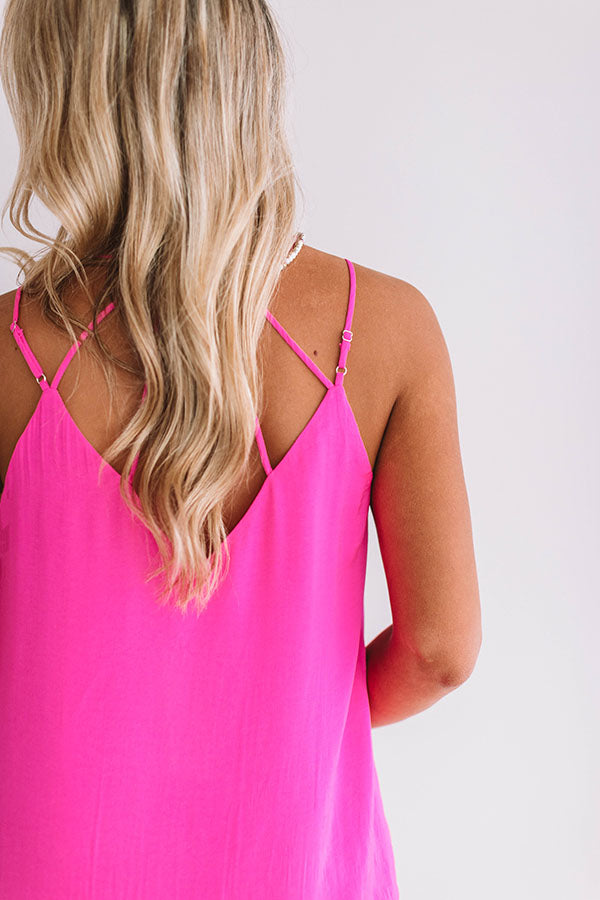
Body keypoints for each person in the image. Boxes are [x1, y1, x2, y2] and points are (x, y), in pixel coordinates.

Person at [0, 1, 481, 898]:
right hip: (289, 862)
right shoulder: (387, 329)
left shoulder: (9, 351)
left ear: (58, 89)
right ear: (248, 75)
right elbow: (442, 649)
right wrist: (296, 725)